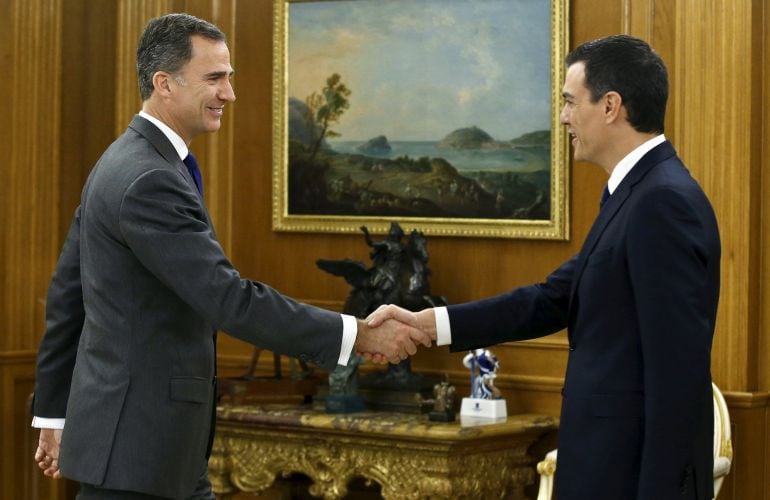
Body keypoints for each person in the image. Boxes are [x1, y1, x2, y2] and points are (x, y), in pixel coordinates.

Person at [31, 13, 429, 500]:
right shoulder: (148, 180)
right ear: (164, 84)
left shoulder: (122, 161)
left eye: (230, 78)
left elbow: (69, 293)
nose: (229, 93)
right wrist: (356, 332)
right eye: (215, 78)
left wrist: (52, 411)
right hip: (141, 453)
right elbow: (228, 299)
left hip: (148, 451)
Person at [368, 34, 720, 500]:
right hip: (601, 469)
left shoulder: (662, 201)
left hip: (627, 478)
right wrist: (429, 323)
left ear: (611, 105)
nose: (563, 117)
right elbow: (552, 299)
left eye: (571, 103)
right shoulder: (635, 194)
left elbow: (676, 377)